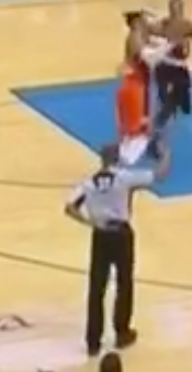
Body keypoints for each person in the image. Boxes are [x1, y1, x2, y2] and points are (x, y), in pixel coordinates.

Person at [65, 141, 171, 356]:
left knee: (97, 288)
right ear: (118, 158)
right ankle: (122, 333)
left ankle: (93, 341)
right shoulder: (124, 178)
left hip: (101, 235)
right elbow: (159, 175)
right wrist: (166, 154)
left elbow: (69, 207)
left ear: (101, 159)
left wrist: (90, 222)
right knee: (124, 283)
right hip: (121, 235)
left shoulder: (89, 183)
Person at [115, 10, 181, 166]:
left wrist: (177, 62)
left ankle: (123, 162)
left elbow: (159, 49)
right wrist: (171, 44)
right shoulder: (135, 37)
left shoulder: (143, 36)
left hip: (139, 86)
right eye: (145, 18)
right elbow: (151, 58)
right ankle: (125, 166)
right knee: (137, 133)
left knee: (137, 130)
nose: (148, 21)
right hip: (133, 87)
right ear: (137, 22)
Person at [152, 0, 192, 130]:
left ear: (181, 10)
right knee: (167, 97)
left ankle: (175, 101)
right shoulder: (163, 24)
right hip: (165, 64)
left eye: (177, 9)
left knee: (186, 108)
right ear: (170, 10)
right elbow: (150, 37)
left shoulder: (189, 26)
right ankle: (163, 115)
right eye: (172, 9)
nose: (175, 13)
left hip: (180, 66)